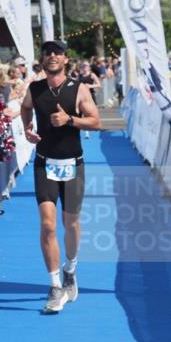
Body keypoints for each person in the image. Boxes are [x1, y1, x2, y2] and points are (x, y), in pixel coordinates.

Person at [20, 39, 101, 314]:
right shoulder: (35, 88)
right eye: (47, 53)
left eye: (57, 53)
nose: (52, 56)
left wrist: (70, 121)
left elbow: (96, 121)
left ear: (66, 59)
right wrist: (27, 128)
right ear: (42, 59)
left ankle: (71, 269)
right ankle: (55, 286)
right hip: (44, 163)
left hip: (73, 164)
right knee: (48, 225)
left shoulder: (79, 89)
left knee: (72, 224)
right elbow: (25, 107)